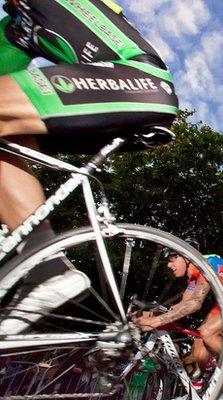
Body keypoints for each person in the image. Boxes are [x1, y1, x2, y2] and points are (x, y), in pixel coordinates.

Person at [0, 0, 178, 333]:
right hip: (108, 99)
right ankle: (45, 266)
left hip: (139, 84)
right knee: (7, 138)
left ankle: (44, 263)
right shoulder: (15, 28)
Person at [133, 238, 223, 399]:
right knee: (199, 339)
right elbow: (183, 305)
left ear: (187, 256)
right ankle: (198, 389)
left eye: (172, 259)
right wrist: (154, 314)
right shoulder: (193, 277)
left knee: (207, 331)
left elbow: (195, 304)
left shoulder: (207, 265)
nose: (168, 265)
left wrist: (155, 321)